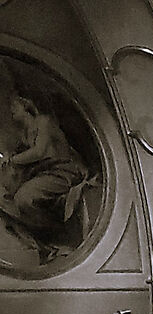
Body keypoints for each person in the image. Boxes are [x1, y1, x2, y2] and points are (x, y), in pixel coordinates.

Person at [0, 90, 93, 260]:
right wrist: (8, 156)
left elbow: (39, 152)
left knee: (25, 198)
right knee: (4, 198)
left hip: (63, 172)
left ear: (26, 104)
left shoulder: (44, 121)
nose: (11, 109)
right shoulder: (24, 132)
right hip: (43, 174)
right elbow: (17, 155)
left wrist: (12, 160)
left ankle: (59, 236)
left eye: (15, 105)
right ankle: (43, 242)